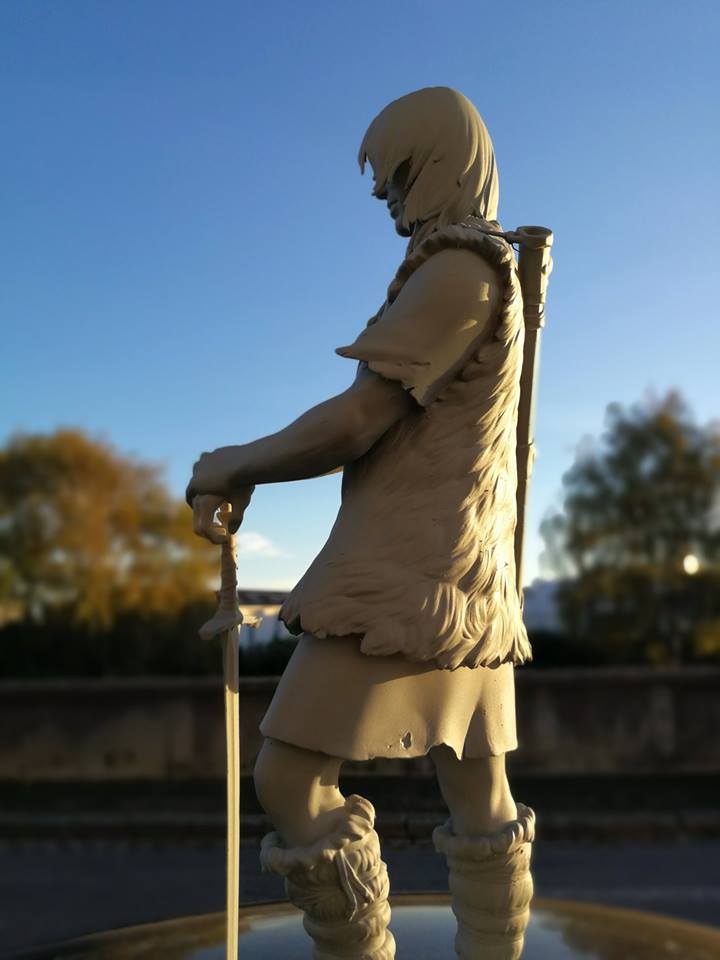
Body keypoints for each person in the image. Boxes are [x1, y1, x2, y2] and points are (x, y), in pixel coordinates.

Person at [187, 86, 535, 960]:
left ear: (445, 163)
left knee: (290, 779)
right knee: (479, 795)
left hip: (410, 575)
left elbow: (358, 421)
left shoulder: (461, 271)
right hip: (465, 571)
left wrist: (234, 462)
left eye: (399, 177)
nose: (388, 200)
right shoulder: (478, 271)